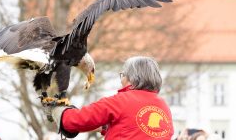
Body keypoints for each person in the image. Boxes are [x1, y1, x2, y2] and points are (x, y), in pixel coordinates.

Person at [44, 56, 173, 139]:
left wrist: (59, 110)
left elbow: (77, 120)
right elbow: (136, 130)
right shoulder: (163, 106)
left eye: (122, 75)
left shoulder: (120, 102)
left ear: (132, 78)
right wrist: (107, 126)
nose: (121, 79)